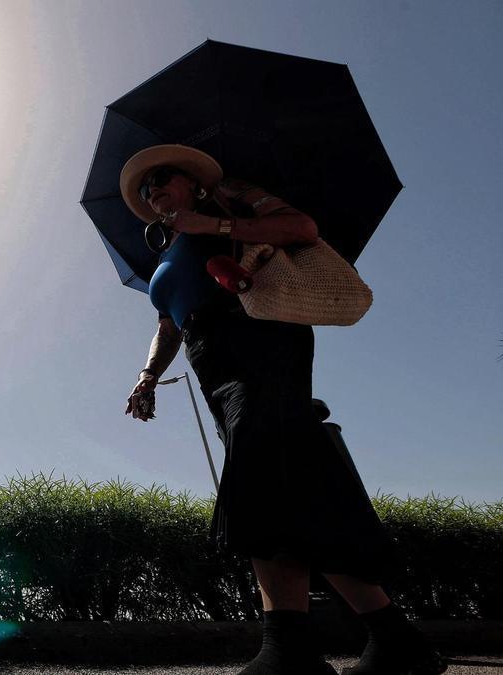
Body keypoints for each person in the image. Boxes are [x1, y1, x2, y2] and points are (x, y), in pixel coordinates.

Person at [119, 145, 447, 675]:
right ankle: (395, 641)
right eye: (143, 188)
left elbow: (302, 228)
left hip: (256, 335)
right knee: (297, 484)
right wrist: (148, 376)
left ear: (195, 183)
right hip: (211, 361)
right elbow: (168, 324)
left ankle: (290, 649)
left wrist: (218, 216)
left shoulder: (234, 205)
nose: (151, 189)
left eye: (161, 177)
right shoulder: (169, 253)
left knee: (265, 474)